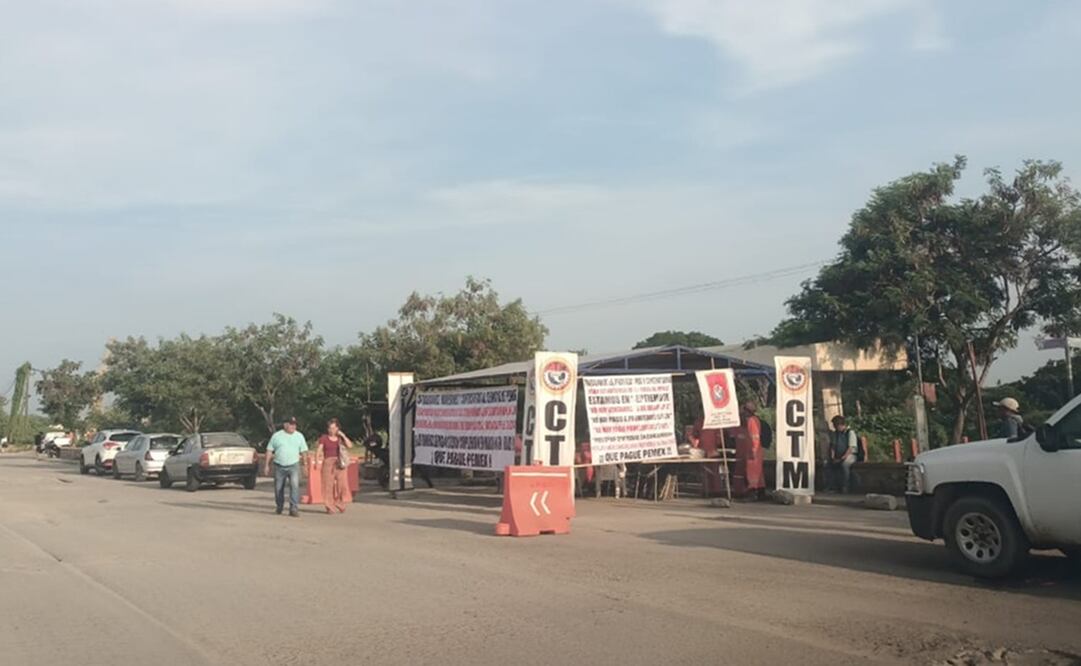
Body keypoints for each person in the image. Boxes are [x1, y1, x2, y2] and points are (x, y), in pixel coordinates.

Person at [264, 417, 309, 517]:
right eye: (291, 424)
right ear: (285, 425)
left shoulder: (299, 436)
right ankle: (279, 506)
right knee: (278, 488)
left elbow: (304, 451)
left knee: (294, 486)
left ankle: (293, 508)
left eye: (294, 424)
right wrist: (267, 465)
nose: (293, 426)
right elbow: (269, 450)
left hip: (294, 465)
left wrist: (305, 465)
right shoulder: (277, 436)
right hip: (279, 465)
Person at [728, 402, 766, 499]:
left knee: (753, 473)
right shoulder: (748, 421)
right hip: (751, 451)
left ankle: (753, 493)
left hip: (753, 452)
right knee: (756, 473)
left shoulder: (752, 421)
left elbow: (754, 437)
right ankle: (759, 493)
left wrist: (753, 450)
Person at [316, 418, 354, 514]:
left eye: (333, 428)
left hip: (339, 462)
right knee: (328, 485)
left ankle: (339, 502)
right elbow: (319, 450)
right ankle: (329, 505)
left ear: (337, 428)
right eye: (329, 428)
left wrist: (343, 436)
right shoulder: (324, 438)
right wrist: (317, 461)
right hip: (328, 462)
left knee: (342, 485)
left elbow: (350, 446)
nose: (331, 430)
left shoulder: (340, 439)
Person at [829, 415, 858, 494]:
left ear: (841, 425)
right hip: (838, 455)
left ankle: (845, 486)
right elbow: (833, 447)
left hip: (850, 455)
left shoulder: (850, 433)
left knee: (844, 465)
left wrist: (842, 458)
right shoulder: (836, 434)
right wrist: (833, 457)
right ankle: (832, 486)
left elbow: (851, 448)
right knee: (828, 465)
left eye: (836, 425)